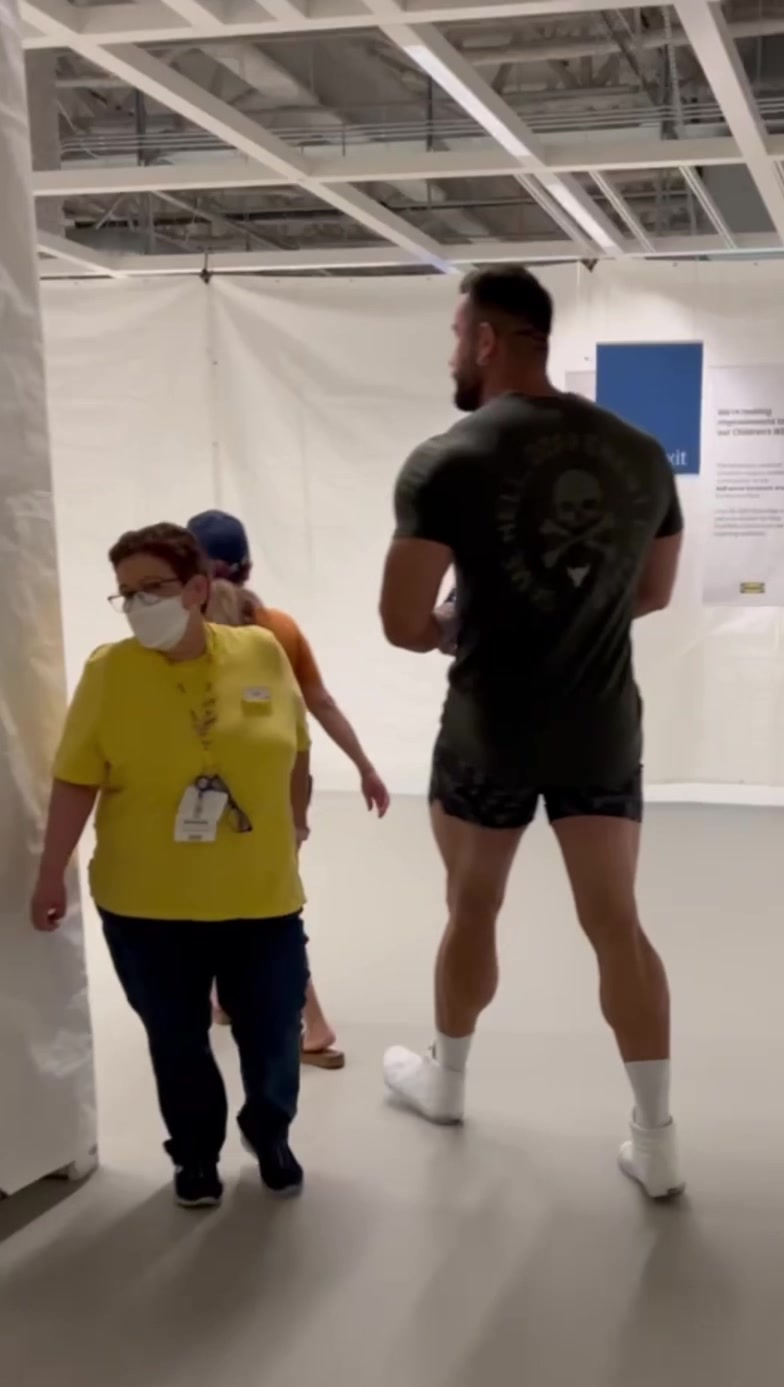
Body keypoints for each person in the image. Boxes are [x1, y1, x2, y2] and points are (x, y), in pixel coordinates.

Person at [378, 267, 685, 1199]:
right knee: (617, 923)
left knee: (472, 908)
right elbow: (654, 592)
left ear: (486, 339)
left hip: (490, 730)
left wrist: (455, 622)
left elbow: (401, 622)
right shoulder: (640, 454)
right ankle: (657, 1142)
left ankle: (447, 1082)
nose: (452, 354)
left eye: (456, 336)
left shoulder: (447, 459)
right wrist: (572, 618)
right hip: (598, 725)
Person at [30, 523, 311, 1207]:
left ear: (197, 589)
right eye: (125, 594)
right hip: (146, 902)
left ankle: (269, 1130)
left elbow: (297, 745)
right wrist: (51, 870)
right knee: (178, 1039)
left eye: (152, 588)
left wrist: (297, 821)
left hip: (260, 894)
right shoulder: (110, 672)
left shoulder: (260, 651)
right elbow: (76, 778)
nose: (137, 605)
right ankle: (195, 1153)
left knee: (275, 1031)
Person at [188, 508, 390, 1070]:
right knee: (265, 904)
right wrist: (364, 766)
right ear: (248, 567)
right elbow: (318, 703)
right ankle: (229, 996)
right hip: (279, 794)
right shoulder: (278, 628)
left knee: (249, 911)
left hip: (208, 798)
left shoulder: (184, 635)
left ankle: (312, 1022)